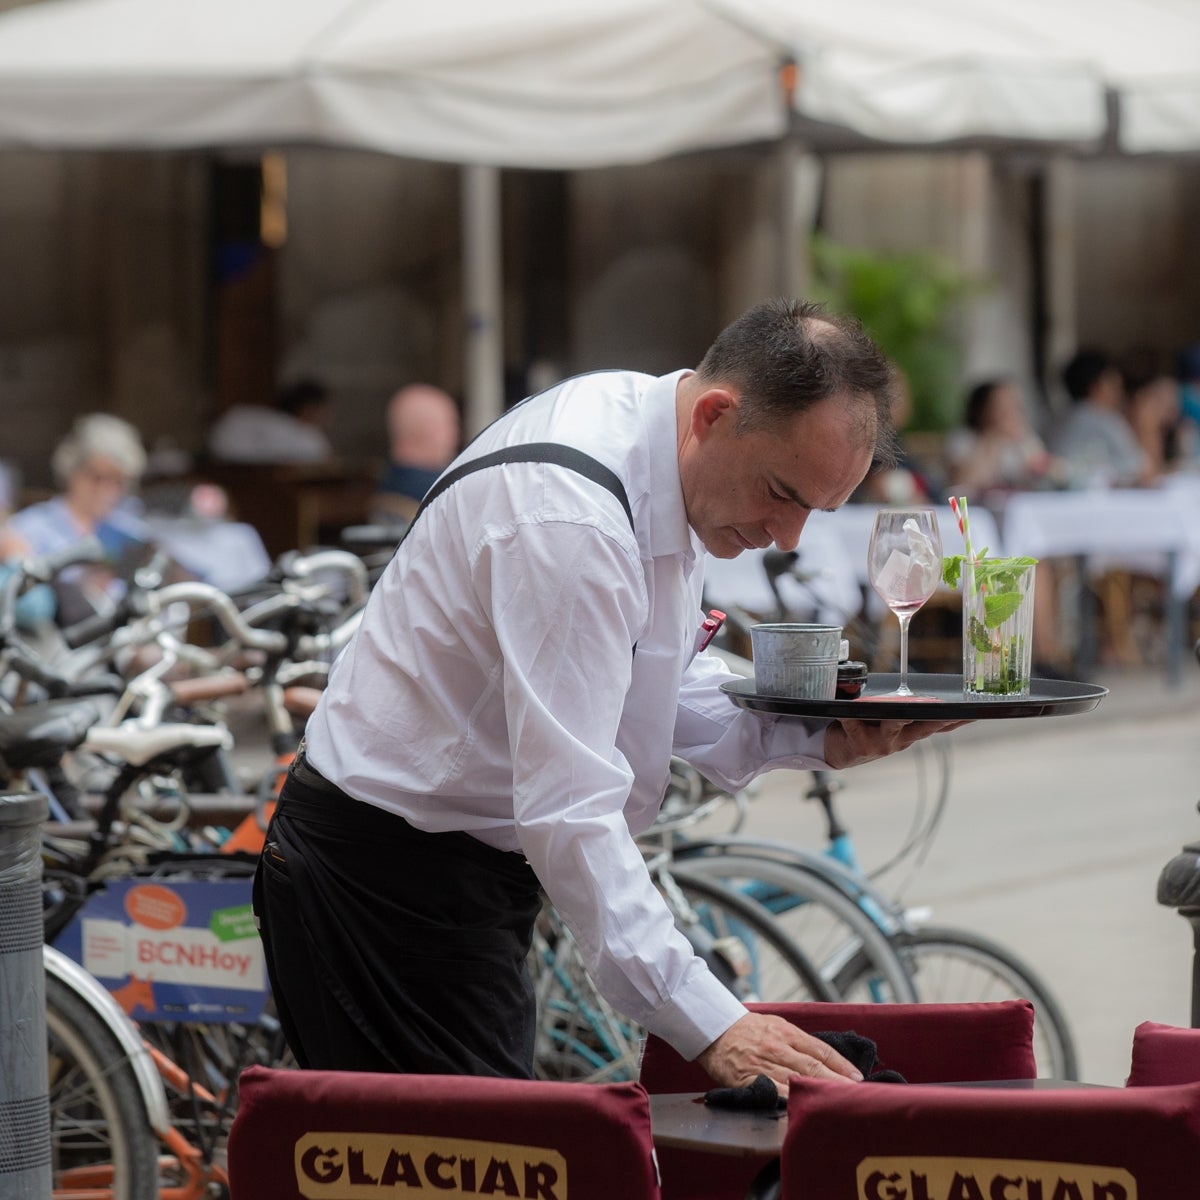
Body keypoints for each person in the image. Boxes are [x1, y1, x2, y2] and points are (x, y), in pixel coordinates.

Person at [252, 298, 968, 1096]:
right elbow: (570, 811)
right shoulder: (574, 522)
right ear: (716, 415)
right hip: (381, 886)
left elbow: (650, 678)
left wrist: (817, 732)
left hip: (445, 872)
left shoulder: (654, 438)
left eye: (817, 510)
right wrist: (712, 1021)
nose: (789, 535)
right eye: (782, 493)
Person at [0, 413, 151, 624]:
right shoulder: (32, 527)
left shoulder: (130, 531)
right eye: (96, 477)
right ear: (72, 471)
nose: (106, 490)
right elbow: (25, 601)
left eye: (117, 481)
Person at [1051, 349, 1154, 488]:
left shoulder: (1063, 417)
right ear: (1095, 387)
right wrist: (1147, 426)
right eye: (1113, 383)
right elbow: (1145, 470)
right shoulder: (1103, 419)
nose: (1119, 390)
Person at [943, 377, 1063, 497]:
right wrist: (992, 441)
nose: (1009, 412)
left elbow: (1049, 471)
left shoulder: (1024, 437)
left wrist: (1029, 452)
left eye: (1014, 405)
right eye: (1000, 405)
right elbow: (962, 484)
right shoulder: (963, 439)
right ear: (981, 409)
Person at [372, 383, 462, 522]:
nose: (456, 435)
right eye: (449, 424)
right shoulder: (443, 489)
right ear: (419, 430)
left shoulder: (388, 481)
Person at [206, 378, 335, 464]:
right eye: (323, 412)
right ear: (309, 410)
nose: (326, 419)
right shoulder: (309, 439)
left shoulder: (238, 415)